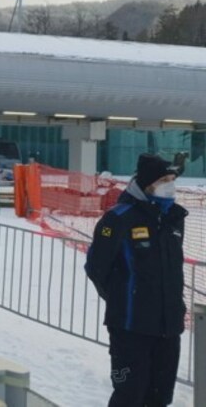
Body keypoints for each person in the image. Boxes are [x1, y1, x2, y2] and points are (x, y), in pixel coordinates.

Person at [85, 153, 187, 407]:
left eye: (172, 179)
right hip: (131, 328)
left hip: (168, 327)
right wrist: (125, 297)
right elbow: (97, 267)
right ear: (147, 184)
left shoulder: (174, 218)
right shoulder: (119, 218)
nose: (170, 185)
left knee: (160, 398)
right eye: (164, 179)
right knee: (130, 397)